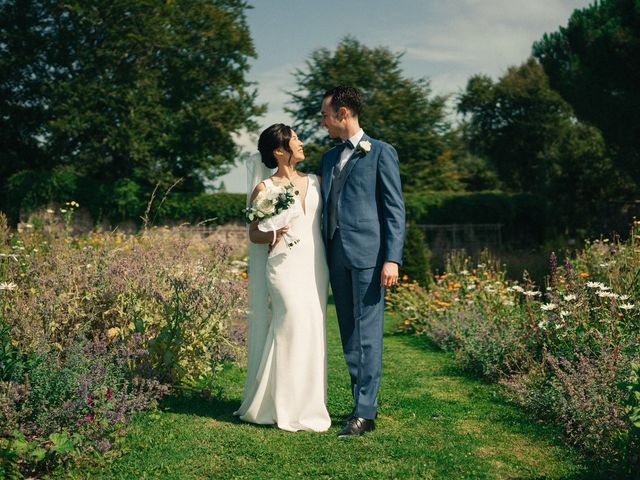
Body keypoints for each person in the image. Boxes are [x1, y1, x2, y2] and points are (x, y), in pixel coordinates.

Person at [319, 86, 405, 437]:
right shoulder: (328, 158)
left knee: (368, 332)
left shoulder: (381, 152)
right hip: (335, 254)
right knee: (349, 333)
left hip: (370, 256)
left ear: (343, 113)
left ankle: (365, 412)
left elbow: (394, 209)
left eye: (325, 115)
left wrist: (392, 259)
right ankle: (360, 402)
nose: (322, 122)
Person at [234, 123, 331, 432]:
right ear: (279, 151)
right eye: (295, 140)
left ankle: (308, 405)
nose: (301, 143)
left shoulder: (316, 182)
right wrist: (275, 232)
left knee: (312, 329)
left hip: (315, 266)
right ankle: (279, 406)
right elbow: (253, 234)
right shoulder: (264, 189)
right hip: (284, 267)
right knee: (289, 327)